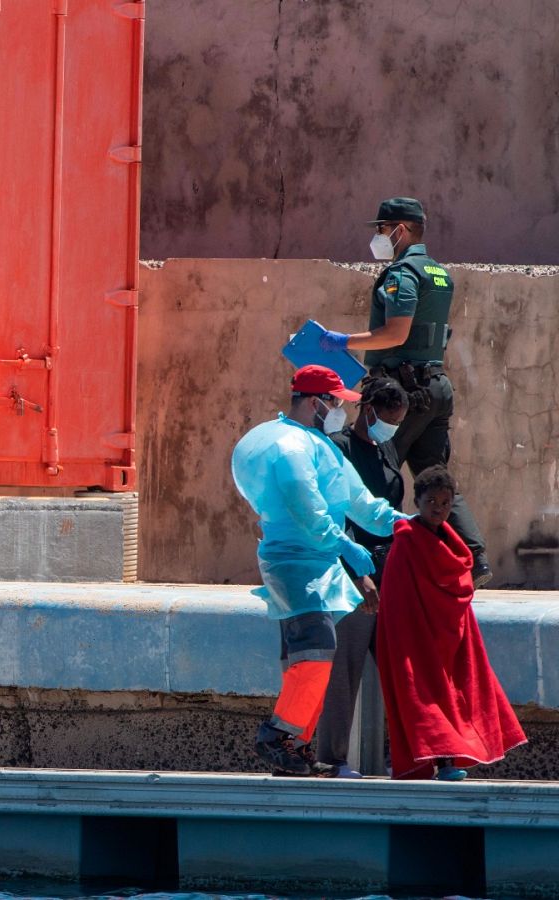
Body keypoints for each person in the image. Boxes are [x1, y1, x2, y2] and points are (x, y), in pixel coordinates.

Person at [230, 365, 408, 776]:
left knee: (315, 656)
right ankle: (279, 735)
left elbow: (363, 505)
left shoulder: (322, 447)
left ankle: (296, 747)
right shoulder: (291, 449)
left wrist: (404, 524)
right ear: (316, 403)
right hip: (293, 567)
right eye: (335, 403)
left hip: (320, 567)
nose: (340, 411)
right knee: (314, 650)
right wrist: (349, 545)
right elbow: (308, 512)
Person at [317, 197, 489, 586]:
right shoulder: (440, 273)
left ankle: (383, 560)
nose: (378, 236)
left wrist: (343, 341)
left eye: (383, 228)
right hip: (436, 387)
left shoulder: (402, 273)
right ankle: (474, 555)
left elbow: (396, 332)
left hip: (404, 392)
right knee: (434, 473)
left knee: (379, 470)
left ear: (401, 230)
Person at [376, 467, 526, 781]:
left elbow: (458, 589)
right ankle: (433, 761)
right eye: (431, 501)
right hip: (415, 639)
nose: (438, 508)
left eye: (445, 502)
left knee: (453, 695)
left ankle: (447, 763)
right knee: (424, 698)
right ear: (417, 501)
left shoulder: (455, 545)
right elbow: (397, 600)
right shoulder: (405, 543)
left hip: (448, 638)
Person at [314, 376, 409, 778]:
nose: (391, 427)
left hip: (391, 571)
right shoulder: (340, 450)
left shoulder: (386, 449)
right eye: (387, 418)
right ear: (367, 410)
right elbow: (339, 516)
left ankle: (403, 756)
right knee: (344, 670)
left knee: (400, 671)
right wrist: (357, 574)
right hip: (354, 574)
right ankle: (331, 758)